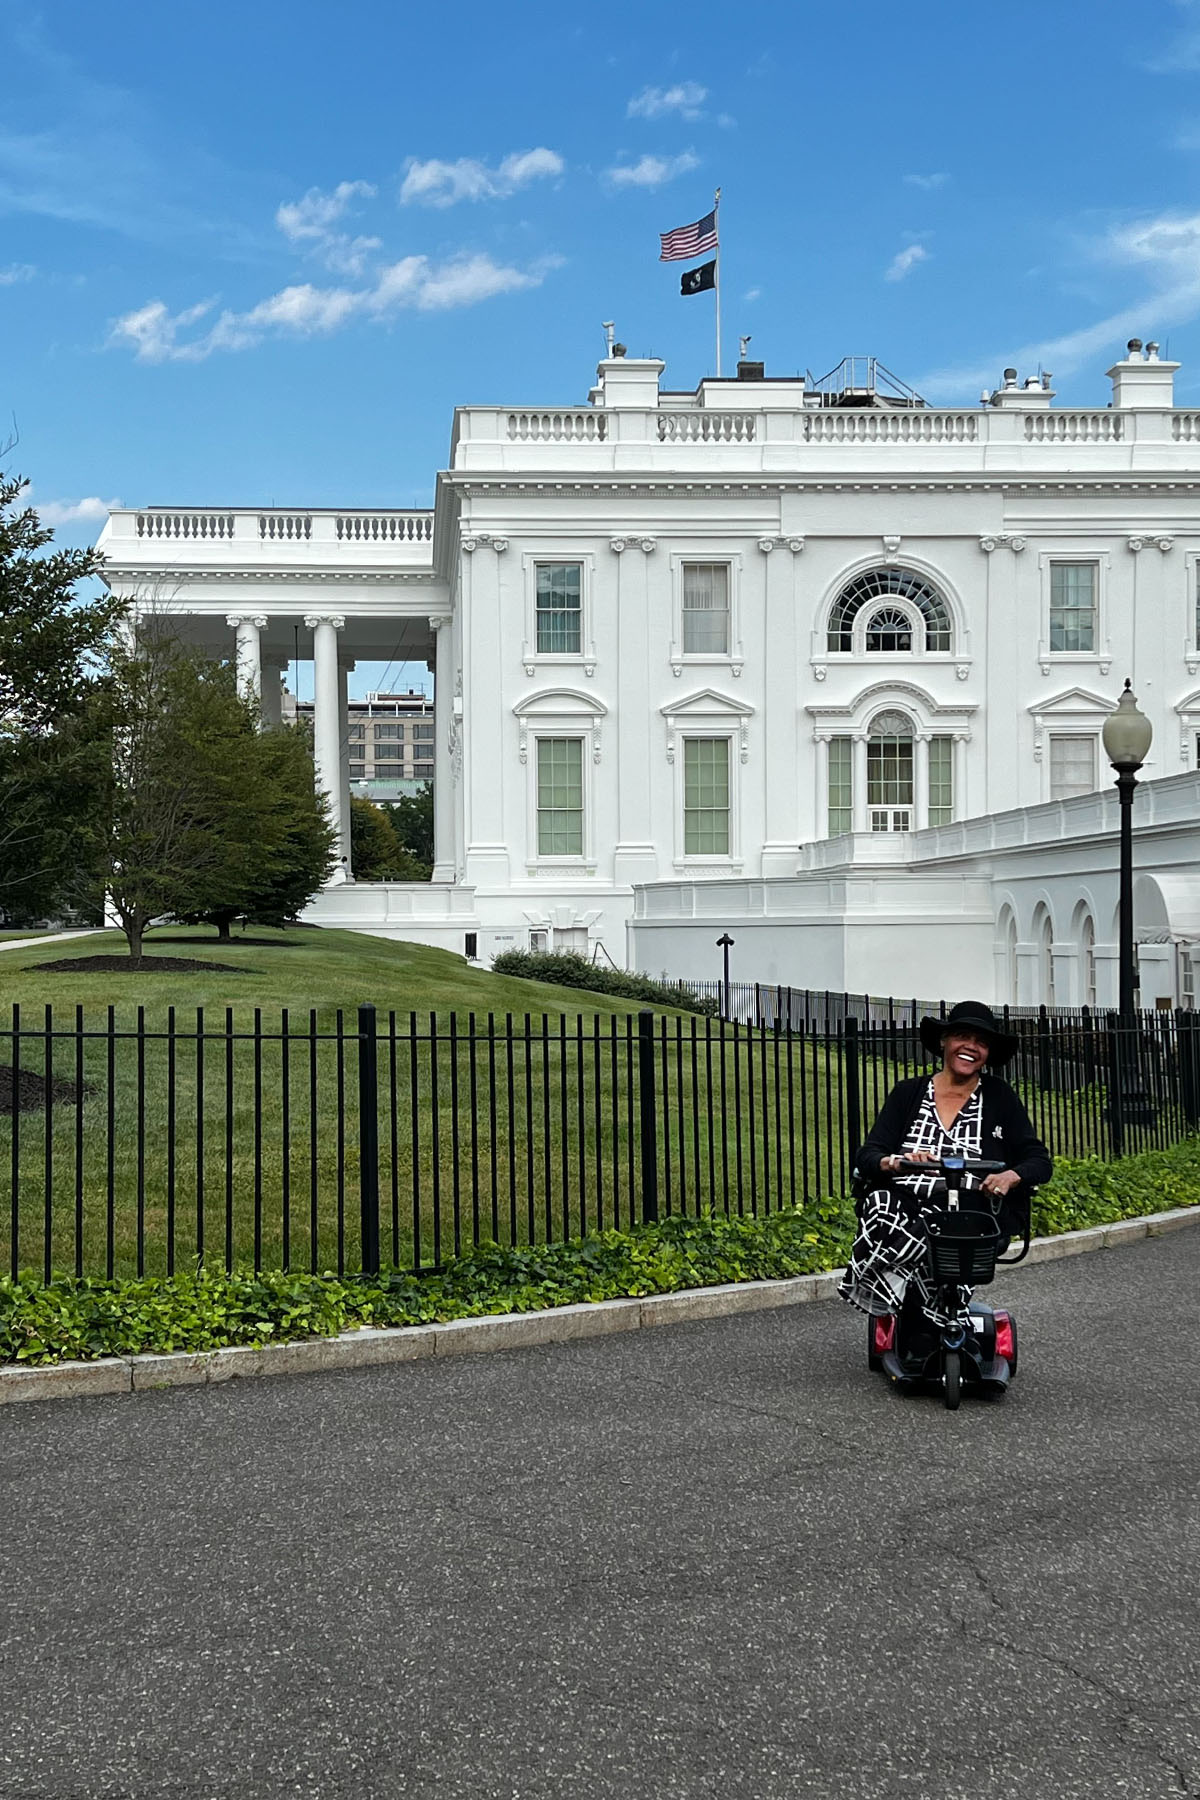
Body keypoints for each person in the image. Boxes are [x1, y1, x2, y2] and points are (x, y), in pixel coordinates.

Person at [838, 1000, 1052, 1319]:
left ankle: (885, 1284)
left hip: (969, 1206)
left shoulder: (999, 1097)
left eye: (981, 1042)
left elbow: (1039, 1161)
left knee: (948, 1230)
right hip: (905, 1200)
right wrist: (895, 1162)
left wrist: (1010, 1176)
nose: (971, 1047)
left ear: (989, 1052)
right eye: (962, 1036)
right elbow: (868, 1155)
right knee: (881, 1205)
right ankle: (926, 1312)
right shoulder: (907, 1093)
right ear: (944, 1042)